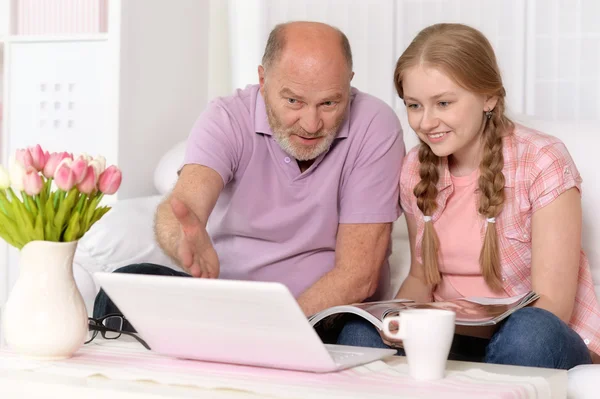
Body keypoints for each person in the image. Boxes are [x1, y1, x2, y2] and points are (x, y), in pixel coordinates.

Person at [92, 21, 405, 338]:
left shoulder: (375, 125)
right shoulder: (227, 117)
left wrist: (269, 331)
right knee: (123, 290)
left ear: (349, 84)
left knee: (364, 338)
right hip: (230, 305)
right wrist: (182, 239)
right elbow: (183, 207)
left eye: (329, 103)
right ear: (263, 80)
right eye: (293, 101)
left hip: (325, 314)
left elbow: (358, 276)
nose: (311, 125)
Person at [336, 22, 600, 369]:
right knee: (357, 333)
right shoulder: (415, 167)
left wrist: (466, 318)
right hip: (449, 337)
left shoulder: (542, 161)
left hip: (533, 337)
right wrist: (393, 320)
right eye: (414, 106)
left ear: (489, 97)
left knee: (529, 332)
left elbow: (554, 305)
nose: (426, 122)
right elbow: (421, 278)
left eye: (443, 103)